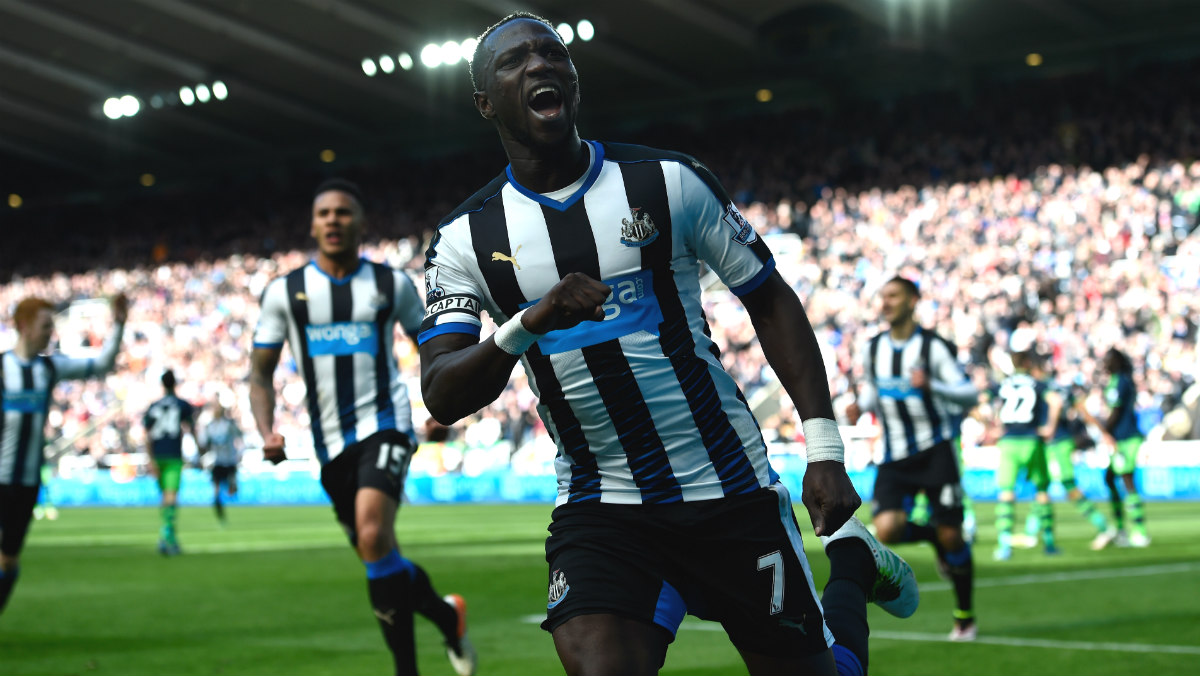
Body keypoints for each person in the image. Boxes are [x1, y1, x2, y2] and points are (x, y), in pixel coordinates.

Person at [419, 14, 917, 676]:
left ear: (572, 78)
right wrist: (528, 321)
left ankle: (851, 564)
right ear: (485, 103)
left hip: (728, 488)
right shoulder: (464, 241)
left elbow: (769, 298)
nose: (539, 65)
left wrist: (823, 449)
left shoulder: (668, 182)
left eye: (552, 54)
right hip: (603, 505)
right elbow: (443, 392)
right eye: (514, 62)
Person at [249, 178, 476, 676]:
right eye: (324, 213)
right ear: (312, 225)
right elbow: (260, 373)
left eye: (343, 213)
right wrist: (267, 430)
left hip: (385, 425)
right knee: (381, 558)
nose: (333, 220)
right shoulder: (285, 292)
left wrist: (440, 404)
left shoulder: (389, 284)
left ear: (361, 224)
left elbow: (431, 346)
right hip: (329, 445)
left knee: (373, 536)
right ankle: (445, 615)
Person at [845, 276, 979, 641]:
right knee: (886, 529)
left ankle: (964, 617)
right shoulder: (873, 348)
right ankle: (933, 536)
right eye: (883, 296)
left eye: (894, 295)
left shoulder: (933, 348)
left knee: (954, 538)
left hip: (936, 450)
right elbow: (874, 390)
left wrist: (932, 386)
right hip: (895, 453)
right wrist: (862, 406)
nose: (886, 302)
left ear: (913, 301)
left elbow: (969, 394)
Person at [0, 294, 127, 614]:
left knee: (9, 559)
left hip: (26, 482)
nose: (50, 332)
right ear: (25, 326)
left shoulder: (48, 366)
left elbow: (101, 364)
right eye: (45, 326)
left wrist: (120, 325)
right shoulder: (2, 368)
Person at [989, 348, 1056, 560]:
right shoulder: (1037, 383)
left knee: (1006, 492)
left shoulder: (1003, 384)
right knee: (1042, 490)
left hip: (1008, 441)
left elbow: (984, 400)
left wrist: (994, 425)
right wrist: (1050, 427)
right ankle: (1049, 543)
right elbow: (1056, 401)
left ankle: (1004, 545)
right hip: (1031, 439)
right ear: (1027, 363)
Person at [1089, 347, 1150, 547]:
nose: (1105, 363)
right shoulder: (1122, 380)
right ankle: (1121, 528)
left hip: (1125, 438)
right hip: (1121, 437)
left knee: (1126, 479)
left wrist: (1105, 431)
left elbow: (1116, 411)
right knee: (1110, 478)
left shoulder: (1120, 381)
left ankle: (1139, 532)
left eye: (1108, 359)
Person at [143, 369, 196, 556]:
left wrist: (149, 458)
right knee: (171, 496)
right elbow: (192, 427)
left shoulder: (153, 406)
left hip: (157, 455)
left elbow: (147, 435)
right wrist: (200, 449)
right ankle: (167, 535)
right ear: (175, 384)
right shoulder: (182, 405)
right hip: (173, 455)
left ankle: (166, 535)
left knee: (165, 497)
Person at [199, 401, 243, 525]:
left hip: (229, 461)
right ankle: (221, 514)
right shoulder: (210, 426)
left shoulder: (228, 425)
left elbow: (239, 435)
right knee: (217, 491)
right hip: (218, 462)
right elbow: (203, 443)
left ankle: (229, 510)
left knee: (231, 489)